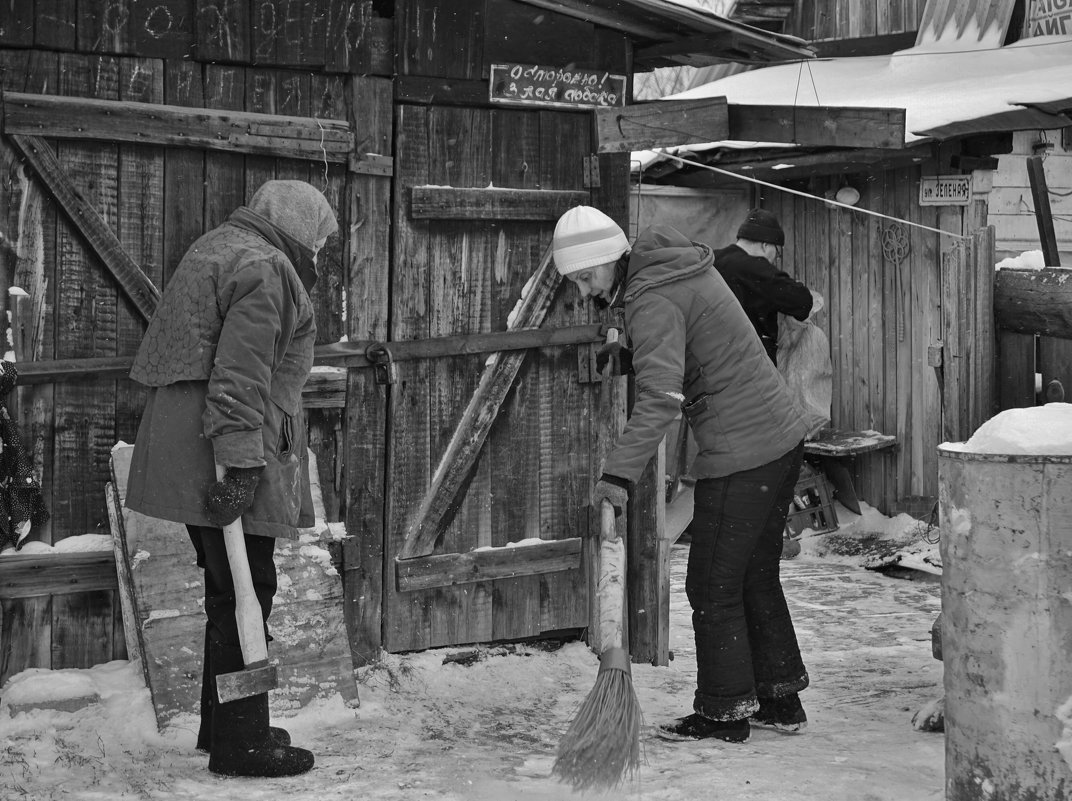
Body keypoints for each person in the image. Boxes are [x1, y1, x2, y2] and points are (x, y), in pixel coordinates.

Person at [553, 205, 810, 744]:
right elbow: (691, 346)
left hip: (743, 448)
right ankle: (779, 699)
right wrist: (630, 357)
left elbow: (662, 399)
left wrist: (617, 477)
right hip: (779, 436)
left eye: (585, 277)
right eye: (575, 282)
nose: (584, 293)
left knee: (712, 583)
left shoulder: (651, 298)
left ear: (609, 259)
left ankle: (725, 713)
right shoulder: (669, 269)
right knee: (753, 575)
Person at [125, 180, 338, 777]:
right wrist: (244, 467)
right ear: (298, 232)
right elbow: (240, 374)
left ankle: (222, 727)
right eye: (317, 244)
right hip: (220, 445)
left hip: (196, 439)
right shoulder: (266, 266)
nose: (317, 258)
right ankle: (241, 745)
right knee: (249, 586)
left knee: (229, 585)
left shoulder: (221, 247)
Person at [714, 208, 814, 365]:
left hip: (709, 361)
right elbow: (802, 300)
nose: (774, 260)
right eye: (777, 253)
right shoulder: (756, 268)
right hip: (749, 365)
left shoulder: (713, 260)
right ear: (765, 245)